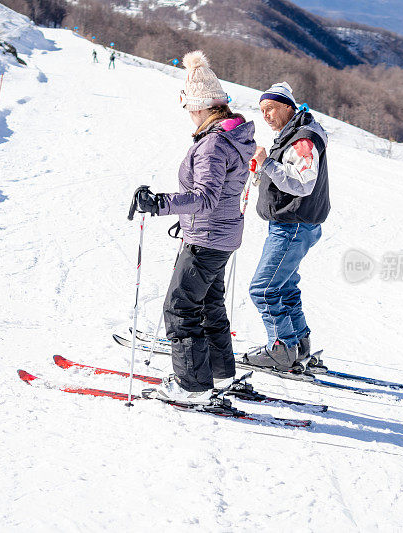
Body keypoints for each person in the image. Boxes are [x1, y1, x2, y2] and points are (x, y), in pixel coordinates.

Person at [130, 51, 256, 405]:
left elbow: (205, 197)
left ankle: (191, 385)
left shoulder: (213, 144)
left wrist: (161, 203)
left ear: (200, 106)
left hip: (206, 238)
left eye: (187, 106)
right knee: (208, 304)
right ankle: (217, 372)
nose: (186, 112)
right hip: (222, 236)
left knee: (180, 307)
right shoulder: (233, 136)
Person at [243, 82, 330, 373]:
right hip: (294, 224)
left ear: (288, 107)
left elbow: (303, 182)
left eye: (271, 108)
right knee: (285, 288)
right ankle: (299, 345)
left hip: (292, 226)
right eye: (262, 110)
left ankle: (281, 349)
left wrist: (266, 164)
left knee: (263, 290)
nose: (266, 115)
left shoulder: (301, 139)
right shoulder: (291, 135)